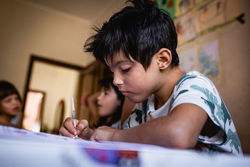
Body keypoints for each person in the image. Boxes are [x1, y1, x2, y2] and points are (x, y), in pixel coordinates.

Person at [61, 0, 242, 155]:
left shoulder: (195, 85)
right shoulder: (142, 100)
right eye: (112, 71)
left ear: (162, 60)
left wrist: (112, 136)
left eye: (125, 69)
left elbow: (178, 135)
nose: (116, 80)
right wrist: (87, 134)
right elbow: (122, 136)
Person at [60, 78, 124, 139]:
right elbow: (90, 100)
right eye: (99, 93)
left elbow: (90, 100)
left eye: (106, 93)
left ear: (120, 100)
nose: (98, 97)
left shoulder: (121, 125)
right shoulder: (99, 119)